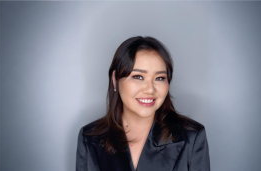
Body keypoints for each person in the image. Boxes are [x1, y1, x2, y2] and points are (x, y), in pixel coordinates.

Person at [76, 36, 210, 171]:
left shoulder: (192, 137)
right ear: (115, 79)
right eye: (138, 77)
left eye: (159, 78)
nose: (150, 89)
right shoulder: (89, 138)